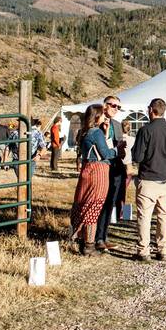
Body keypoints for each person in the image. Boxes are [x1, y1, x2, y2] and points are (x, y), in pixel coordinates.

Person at [130, 98, 166, 261]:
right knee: (164, 214)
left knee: (145, 216)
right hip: (165, 179)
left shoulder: (145, 130)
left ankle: (144, 250)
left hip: (148, 178)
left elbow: (138, 156)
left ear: (151, 110)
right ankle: (163, 249)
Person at [69, 104, 116, 256]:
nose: (105, 117)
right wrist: (116, 150)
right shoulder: (96, 133)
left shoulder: (85, 132)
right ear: (97, 116)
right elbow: (105, 153)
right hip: (98, 171)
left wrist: (106, 132)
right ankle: (89, 245)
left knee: (84, 203)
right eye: (102, 114)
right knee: (94, 206)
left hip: (87, 169)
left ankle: (82, 240)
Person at [94, 96, 127, 252]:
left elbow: (120, 148)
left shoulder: (117, 125)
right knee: (99, 203)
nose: (115, 109)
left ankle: (103, 236)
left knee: (110, 203)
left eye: (118, 107)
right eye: (113, 105)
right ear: (104, 106)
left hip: (116, 167)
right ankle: (95, 237)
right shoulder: (96, 123)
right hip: (101, 168)